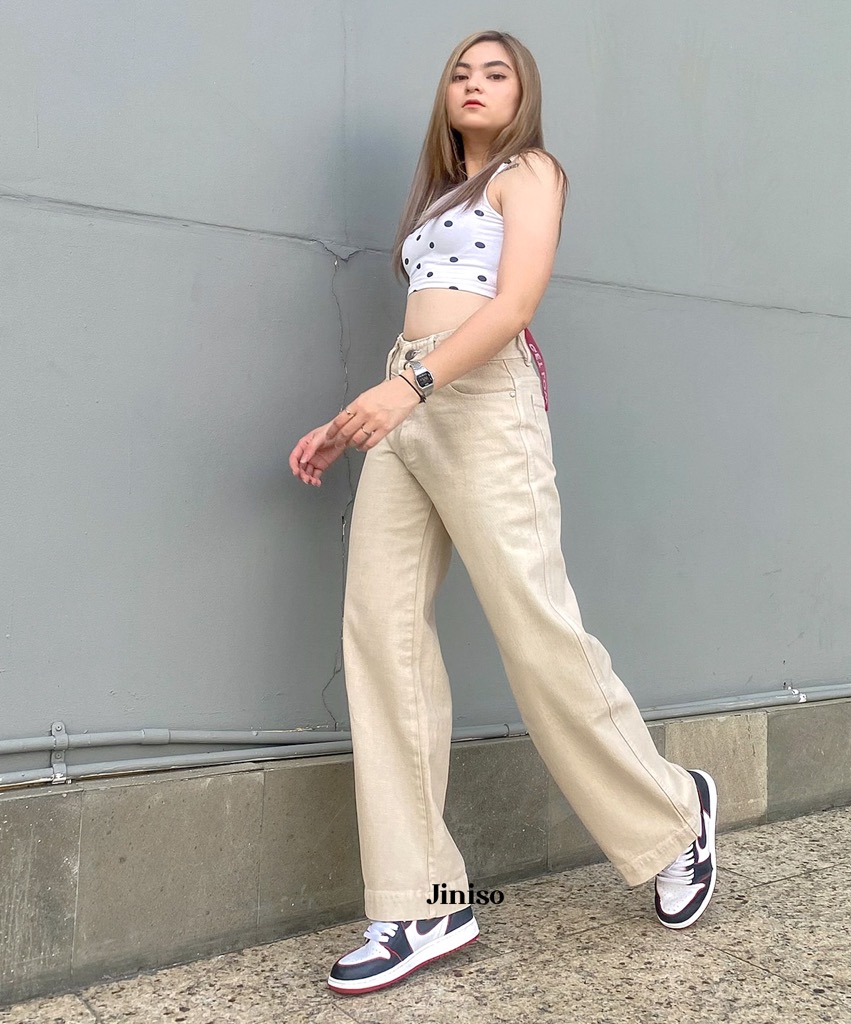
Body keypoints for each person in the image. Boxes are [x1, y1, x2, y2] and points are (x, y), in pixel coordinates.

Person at [289, 29, 718, 997]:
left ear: (523, 96)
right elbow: (428, 318)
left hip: (478, 401)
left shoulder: (531, 172)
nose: (475, 85)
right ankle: (423, 899)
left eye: (496, 74)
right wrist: (356, 418)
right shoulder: (438, 197)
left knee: (535, 627)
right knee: (381, 636)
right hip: (410, 399)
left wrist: (411, 388)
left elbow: (513, 303)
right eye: (461, 73)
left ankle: (673, 816)